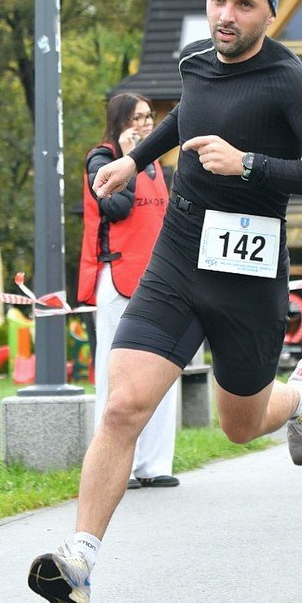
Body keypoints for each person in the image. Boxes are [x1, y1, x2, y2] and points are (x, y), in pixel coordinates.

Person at [28, 0, 302, 603]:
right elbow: (188, 117)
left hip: (247, 273)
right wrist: (134, 158)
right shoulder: (196, 63)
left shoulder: (290, 81)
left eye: (244, 4)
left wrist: (249, 165)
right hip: (178, 256)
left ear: (270, 13)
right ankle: (79, 560)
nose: (226, 15)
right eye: (217, 0)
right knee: (123, 405)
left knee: (240, 425)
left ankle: (300, 396)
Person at [77, 92, 179, 490]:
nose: (146, 124)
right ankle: (117, 464)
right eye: (138, 118)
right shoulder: (100, 159)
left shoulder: (156, 164)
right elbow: (115, 208)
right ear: (120, 121)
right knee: (114, 373)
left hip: (158, 278)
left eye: (149, 117)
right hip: (118, 275)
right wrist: (126, 158)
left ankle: (155, 463)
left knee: (163, 370)